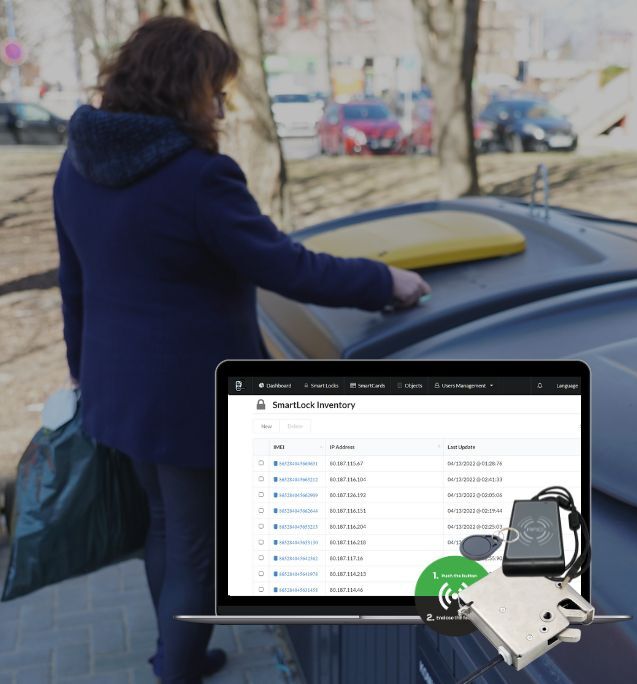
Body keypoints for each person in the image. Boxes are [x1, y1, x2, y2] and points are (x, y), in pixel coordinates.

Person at [53, 17, 430, 683]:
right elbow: (287, 267)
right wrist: (385, 282)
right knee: (197, 548)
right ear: (181, 91)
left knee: (165, 527)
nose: (221, 108)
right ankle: (178, 668)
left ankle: (177, 655)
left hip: (119, 389)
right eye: (214, 92)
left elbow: (74, 281)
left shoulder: (78, 161)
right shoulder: (198, 177)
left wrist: (83, 372)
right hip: (192, 396)